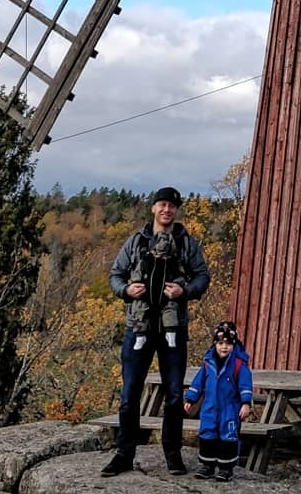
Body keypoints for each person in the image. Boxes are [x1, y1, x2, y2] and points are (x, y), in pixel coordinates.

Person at [100, 186, 210, 478]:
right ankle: (124, 454)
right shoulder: (136, 241)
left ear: (176, 210)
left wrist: (185, 291)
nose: (166, 210)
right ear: (153, 208)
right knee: (129, 394)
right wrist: (126, 291)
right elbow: (115, 275)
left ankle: (173, 455)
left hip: (174, 329)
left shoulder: (187, 243)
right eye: (162, 204)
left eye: (172, 206)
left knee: (174, 395)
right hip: (138, 327)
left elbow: (202, 276)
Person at [184, 320, 254, 482]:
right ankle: (207, 466)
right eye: (221, 343)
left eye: (228, 344)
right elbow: (198, 382)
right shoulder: (208, 363)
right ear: (215, 344)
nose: (224, 347)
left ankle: (226, 468)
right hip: (209, 407)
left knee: (228, 436)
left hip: (230, 408)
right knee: (207, 433)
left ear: (234, 345)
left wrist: (245, 403)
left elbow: (245, 385)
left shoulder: (239, 364)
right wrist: (190, 399)